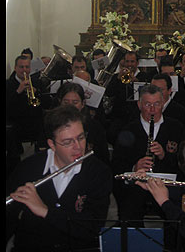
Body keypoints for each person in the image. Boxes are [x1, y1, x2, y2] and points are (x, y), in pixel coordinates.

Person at [6, 105, 112, 251]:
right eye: (68, 142)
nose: (78, 147)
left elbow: (91, 228)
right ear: (52, 145)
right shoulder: (28, 168)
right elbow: (9, 219)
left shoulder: (99, 172)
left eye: (81, 138)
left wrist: (45, 211)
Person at [110, 84, 185, 227]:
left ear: (163, 103)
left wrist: (164, 155)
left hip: (167, 185)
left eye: (157, 104)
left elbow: (184, 163)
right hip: (137, 186)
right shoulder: (128, 129)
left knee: (175, 213)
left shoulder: (176, 127)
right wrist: (134, 167)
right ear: (139, 105)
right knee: (129, 209)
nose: (152, 109)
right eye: (147, 104)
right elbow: (116, 164)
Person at [57, 82, 110, 166]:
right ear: (60, 102)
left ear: (83, 104)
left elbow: (103, 159)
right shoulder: (52, 125)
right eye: (66, 102)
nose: (70, 107)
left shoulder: (95, 127)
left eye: (75, 102)